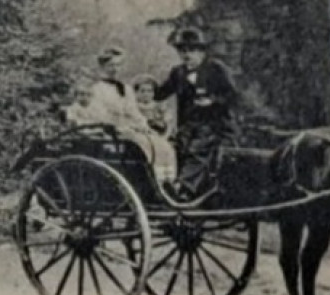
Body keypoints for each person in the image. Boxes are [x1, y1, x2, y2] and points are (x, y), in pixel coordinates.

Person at [152, 27, 240, 202]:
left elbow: (234, 96)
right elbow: (160, 93)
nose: (186, 55)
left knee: (198, 147)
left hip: (216, 126)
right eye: (182, 50)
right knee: (170, 146)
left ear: (201, 52)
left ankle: (183, 188)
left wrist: (213, 101)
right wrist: (142, 90)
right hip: (188, 126)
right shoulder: (178, 72)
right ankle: (163, 186)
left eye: (191, 50)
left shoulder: (216, 68)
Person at [66, 47, 175, 183]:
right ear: (102, 66)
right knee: (140, 144)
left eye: (118, 65)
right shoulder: (97, 89)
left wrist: (142, 125)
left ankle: (164, 182)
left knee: (159, 143)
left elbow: (133, 112)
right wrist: (119, 127)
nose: (115, 69)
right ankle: (147, 180)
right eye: (111, 65)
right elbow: (99, 115)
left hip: (129, 128)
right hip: (113, 131)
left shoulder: (126, 88)